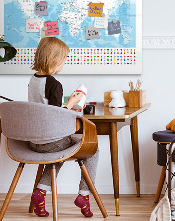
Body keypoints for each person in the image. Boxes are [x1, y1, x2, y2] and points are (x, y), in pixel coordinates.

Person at [28, 37, 98, 218]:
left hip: (34, 141)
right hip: (51, 141)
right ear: (54, 59)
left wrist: (68, 104)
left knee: (58, 152)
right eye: (64, 59)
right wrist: (73, 103)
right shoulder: (54, 84)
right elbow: (56, 116)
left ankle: (40, 193)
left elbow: (45, 109)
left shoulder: (33, 80)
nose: (64, 63)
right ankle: (84, 195)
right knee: (93, 149)